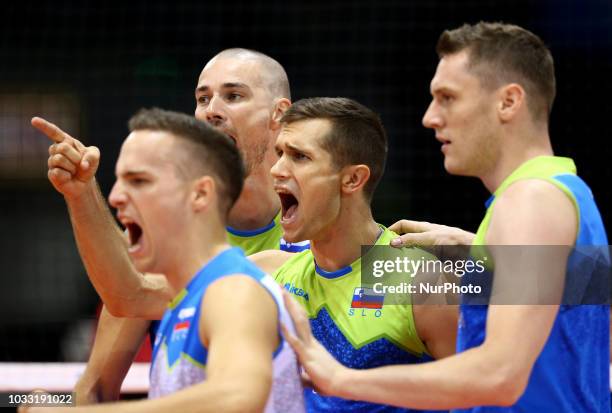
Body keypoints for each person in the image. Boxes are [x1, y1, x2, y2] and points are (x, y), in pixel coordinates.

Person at [281, 22, 610, 412]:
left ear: (509, 102)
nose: (430, 117)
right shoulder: (563, 188)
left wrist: (339, 378)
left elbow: (498, 376)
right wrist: (479, 251)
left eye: (447, 98)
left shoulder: (530, 200)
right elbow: (580, 298)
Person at [62, 96, 458, 412]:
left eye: (299, 157)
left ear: (353, 179)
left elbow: (489, 391)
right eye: (280, 153)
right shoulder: (268, 274)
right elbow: (127, 294)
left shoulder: (414, 273)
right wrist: (80, 195)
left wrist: (484, 253)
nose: (277, 170)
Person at [72, 48, 309, 404]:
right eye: (202, 98)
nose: (211, 110)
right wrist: (42, 403)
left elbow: (236, 398)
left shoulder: (351, 242)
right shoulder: (167, 245)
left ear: (280, 114)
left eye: (233, 96)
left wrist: (423, 254)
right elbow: (94, 385)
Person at [29, 108, 304, 412]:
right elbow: (127, 293)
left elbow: (236, 396)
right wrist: (81, 194)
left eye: (140, 181)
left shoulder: (238, 287)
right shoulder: (184, 292)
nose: (117, 196)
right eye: (202, 96)